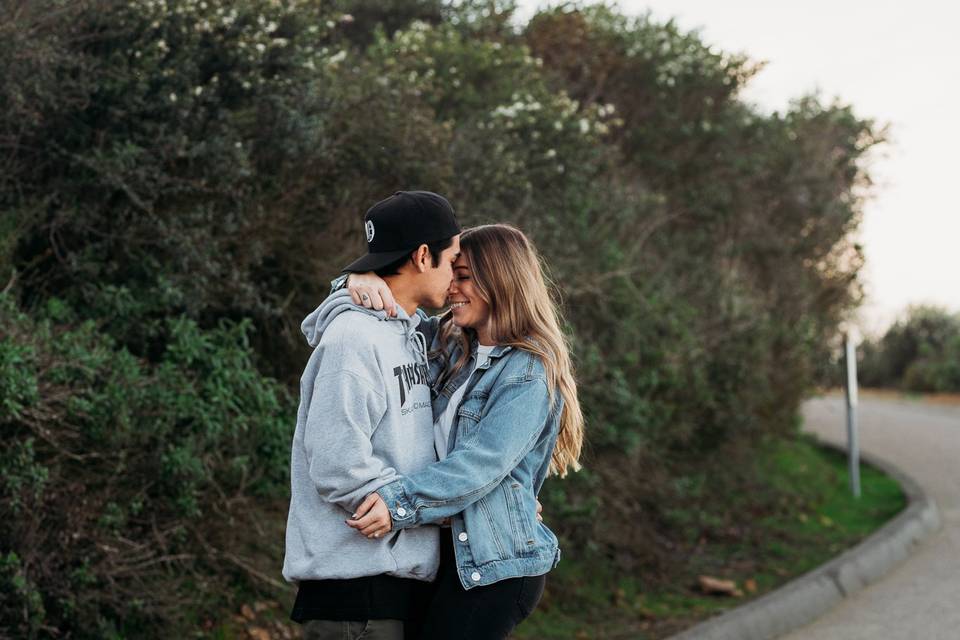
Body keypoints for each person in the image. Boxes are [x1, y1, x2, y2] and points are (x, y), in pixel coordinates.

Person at [344, 224, 584, 639]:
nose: (451, 287)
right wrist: (359, 278)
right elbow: (390, 312)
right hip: (445, 556)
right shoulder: (447, 342)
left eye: (465, 276)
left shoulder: (528, 370)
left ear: (501, 279)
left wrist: (398, 504)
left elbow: (481, 464)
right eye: (451, 273)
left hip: (494, 570)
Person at [281, 191, 461, 640]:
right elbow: (336, 460)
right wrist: (421, 507)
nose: (458, 273)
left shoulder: (412, 335)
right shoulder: (353, 338)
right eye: (453, 258)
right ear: (423, 255)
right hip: (354, 601)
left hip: (392, 593)